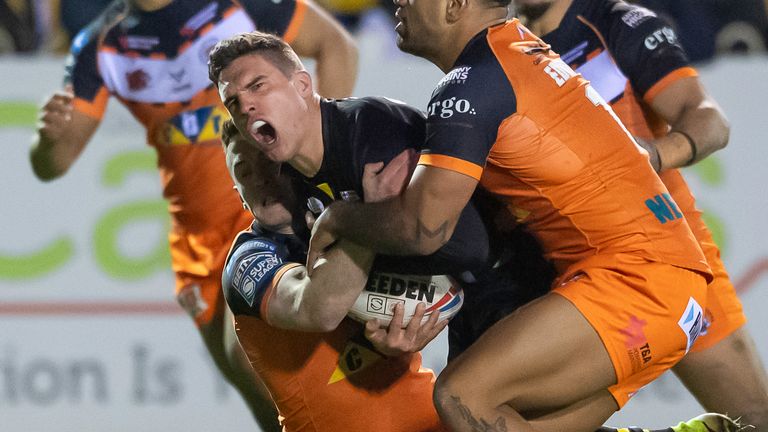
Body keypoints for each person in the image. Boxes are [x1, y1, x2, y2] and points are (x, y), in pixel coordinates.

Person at [305, 0, 725, 430]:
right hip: (666, 286)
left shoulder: (472, 84)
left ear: (455, 5)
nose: (400, 1)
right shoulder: (517, 51)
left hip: (635, 284)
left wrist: (338, 218)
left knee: (462, 396)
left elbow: (424, 227)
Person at [28, 0, 357, 429]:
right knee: (268, 406)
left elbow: (337, 46)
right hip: (195, 245)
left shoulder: (240, 8)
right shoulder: (100, 45)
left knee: (252, 355)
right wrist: (47, 141)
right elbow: (54, 162)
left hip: (261, 220)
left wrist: (317, 159)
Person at [513, 0, 768, 428]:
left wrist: (647, 156)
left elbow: (708, 118)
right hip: (557, 267)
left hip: (667, 257)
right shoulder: (492, 46)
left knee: (754, 417)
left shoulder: (615, 22)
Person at [219, 118, 449, 431]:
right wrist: (369, 214)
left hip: (431, 419)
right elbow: (316, 308)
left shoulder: (345, 216)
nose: (261, 179)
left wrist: (401, 336)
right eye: (245, 171)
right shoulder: (247, 259)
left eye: (268, 162)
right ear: (239, 193)